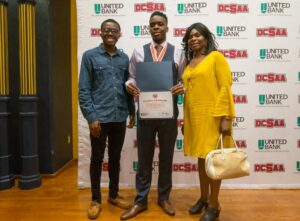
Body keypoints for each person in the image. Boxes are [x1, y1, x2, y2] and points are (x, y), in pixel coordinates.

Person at [120, 11, 185, 220]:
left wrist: (181, 87)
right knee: (144, 158)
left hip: (168, 114)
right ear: (149, 28)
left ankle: (164, 198)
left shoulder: (178, 53)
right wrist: (129, 87)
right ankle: (140, 200)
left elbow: (185, 79)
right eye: (152, 25)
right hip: (146, 114)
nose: (156, 28)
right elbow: (131, 77)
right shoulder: (138, 51)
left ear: (167, 27)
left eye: (160, 24)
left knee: (166, 157)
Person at [78, 19, 135, 219]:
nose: (110, 33)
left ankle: (113, 194)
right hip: (99, 119)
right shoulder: (89, 57)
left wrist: (132, 112)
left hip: (119, 116)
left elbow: (128, 88)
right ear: (100, 33)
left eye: (114, 30)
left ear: (119, 34)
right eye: (107, 30)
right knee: (96, 159)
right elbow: (84, 91)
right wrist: (91, 117)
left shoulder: (124, 58)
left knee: (115, 157)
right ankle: (95, 199)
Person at [181, 23, 235, 221]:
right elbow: (189, 96)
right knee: (202, 159)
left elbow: (225, 87)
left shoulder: (215, 57)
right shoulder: (189, 63)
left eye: (198, 35)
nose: (193, 39)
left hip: (214, 117)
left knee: (214, 160)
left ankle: (214, 204)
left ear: (206, 37)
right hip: (195, 119)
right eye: (190, 36)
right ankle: (203, 198)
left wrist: (226, 118)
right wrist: (185, 121)